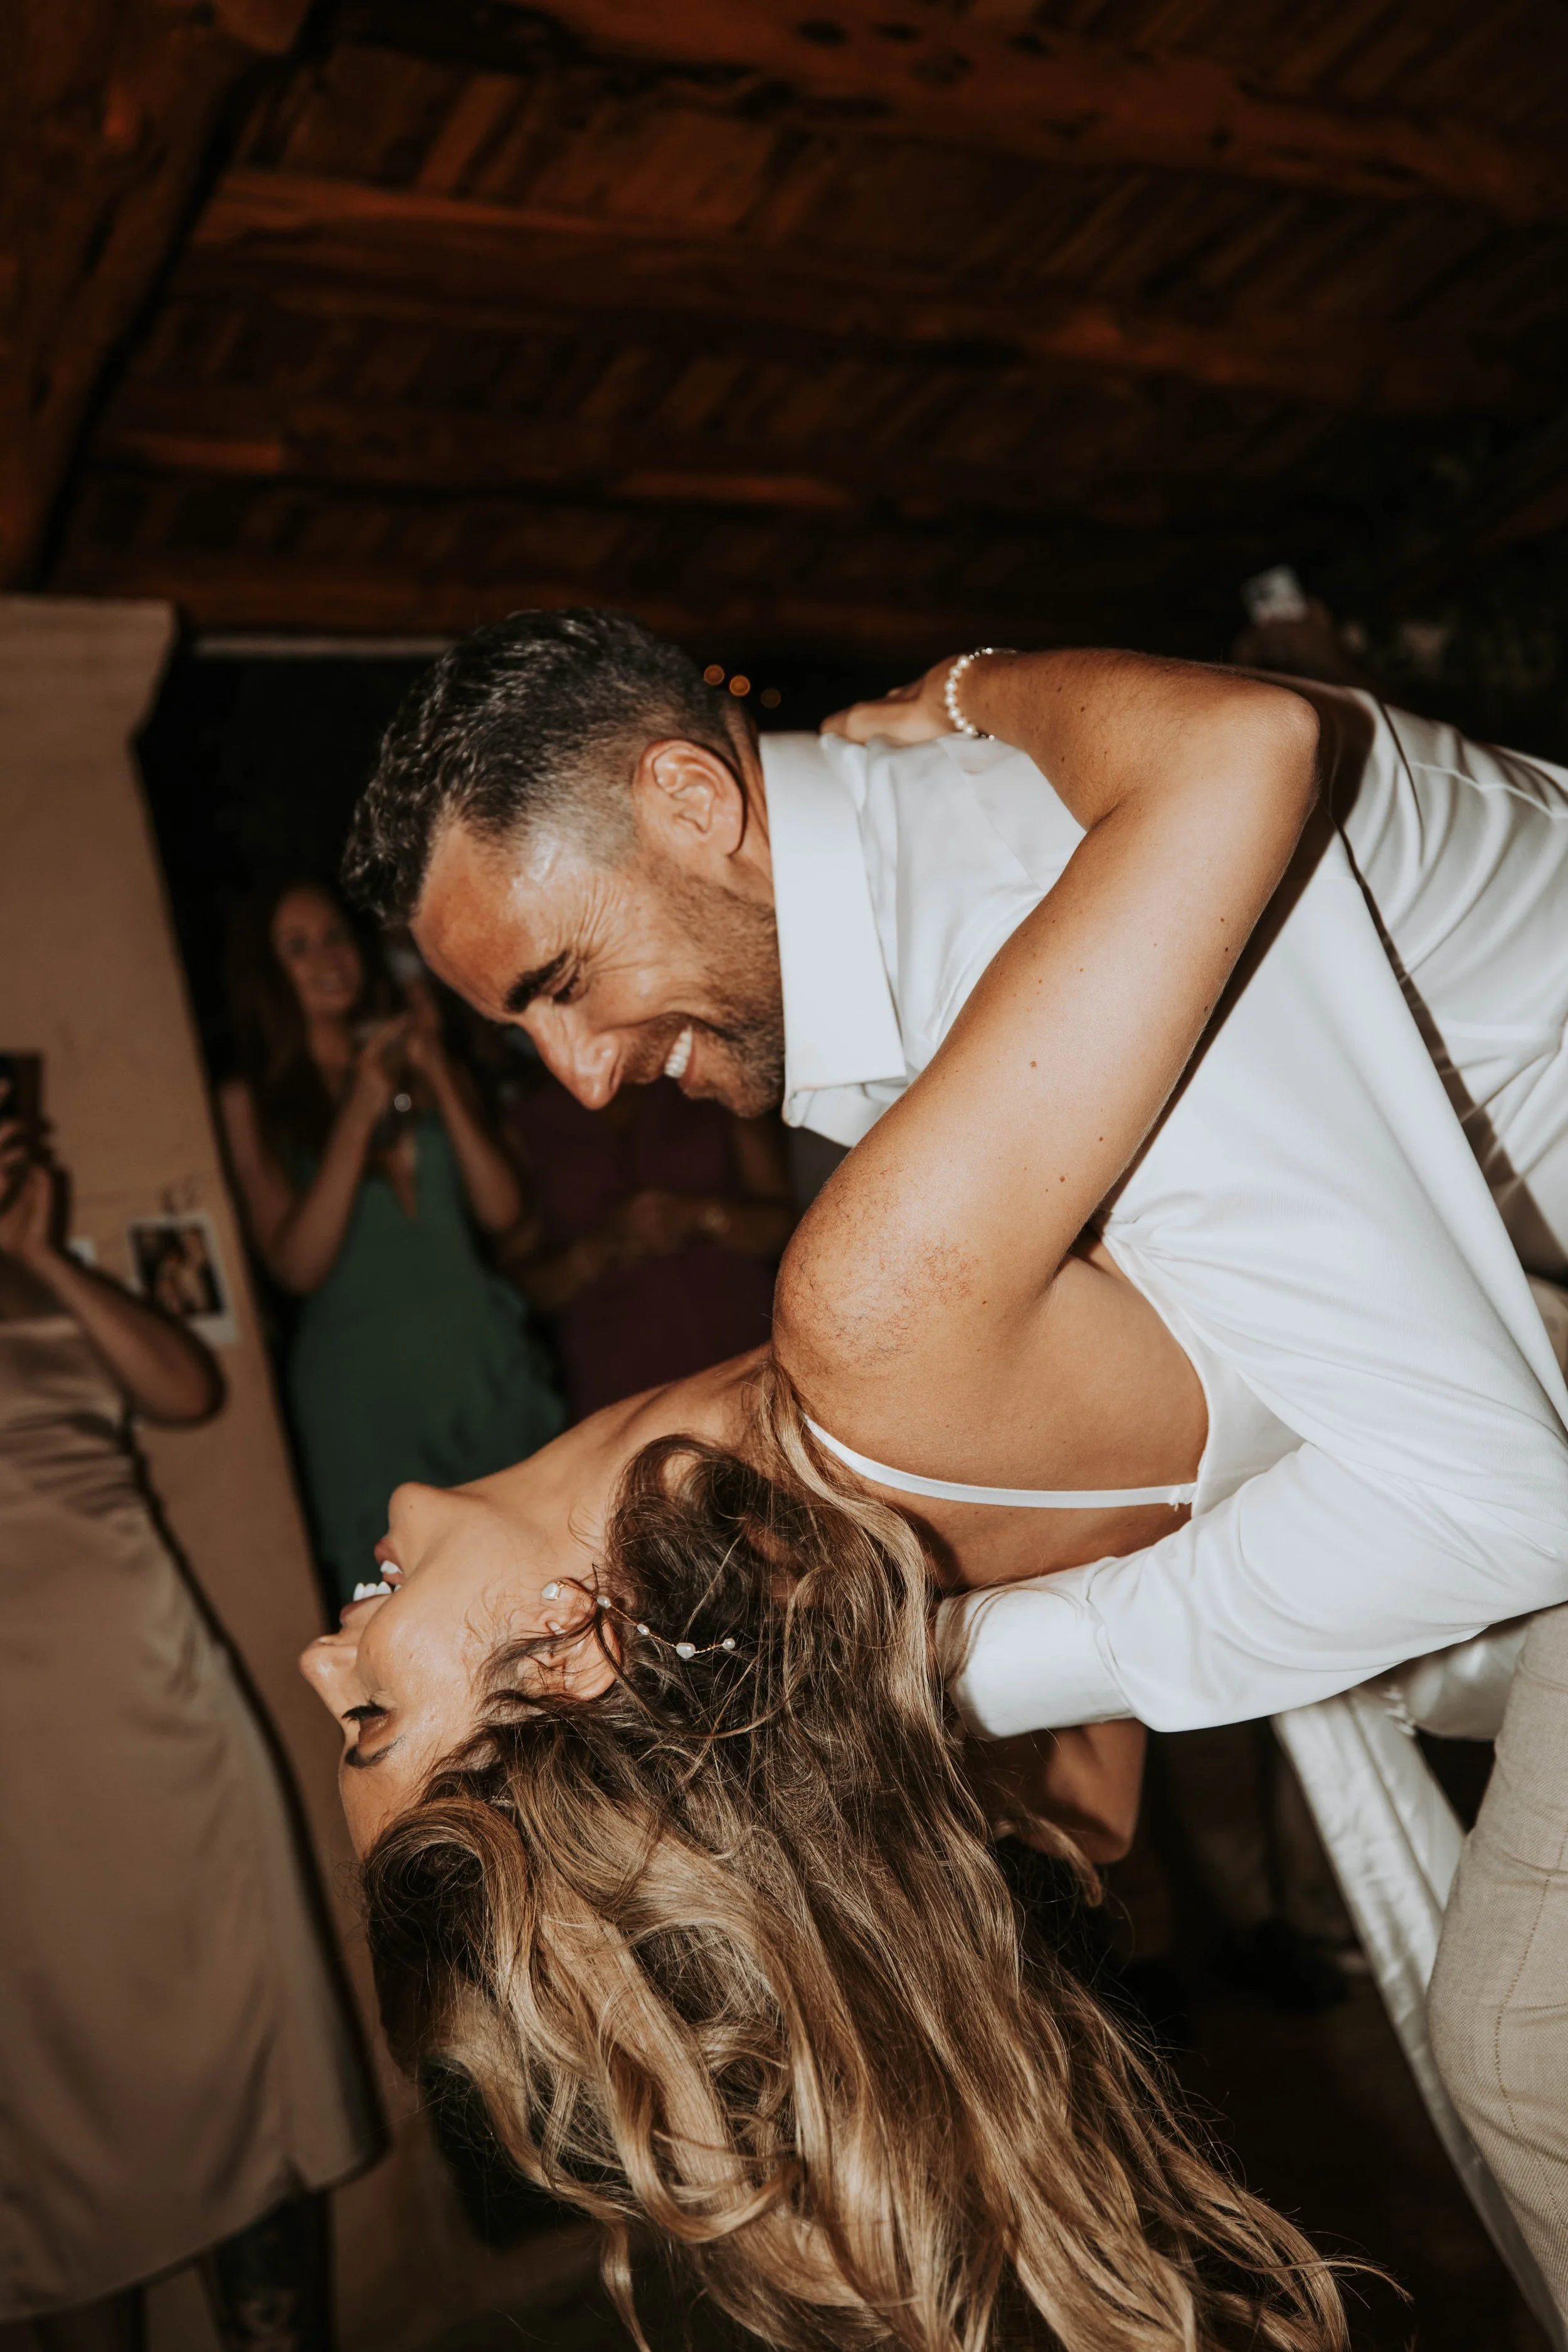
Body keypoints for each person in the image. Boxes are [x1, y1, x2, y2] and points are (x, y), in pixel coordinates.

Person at [339, 613, 1568, 2314]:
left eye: (559, 982)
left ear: (692, 799)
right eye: (369, 1710)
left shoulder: (976, 888)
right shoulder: (883, 1091)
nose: (584, 1077)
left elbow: (1241, 753)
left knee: (1513, 2045)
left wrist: (928, 1668)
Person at [0, 1099, 378, 2346]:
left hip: (158, 1702)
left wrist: (40, 1256)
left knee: (231, 2017)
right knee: (51, 2082)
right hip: (19, 1757)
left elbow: (189, 1387)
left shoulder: (45, 1281)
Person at [221, 881, 563, 1604]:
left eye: (334, 936)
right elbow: (296, 1265)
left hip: (478, 1364)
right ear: (268, 975)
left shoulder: (418, 1058)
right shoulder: (254, 1102)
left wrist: (435, 1062)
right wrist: (358, 1110)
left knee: (541, 1579)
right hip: (367, 1394)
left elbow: (504, 1210)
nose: (328, 957)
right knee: (411, 1607)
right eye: (298, 947)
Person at [502, 1067, 794, 1416]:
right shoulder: (528, 1123)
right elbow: (522, 1289)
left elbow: (786, 1226)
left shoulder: (710, 1077)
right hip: (622, 1378)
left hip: (745, 1350)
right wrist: (600, 1249)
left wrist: (699, 1217)